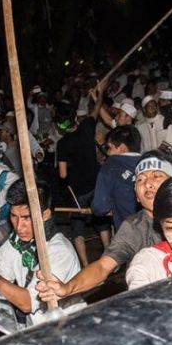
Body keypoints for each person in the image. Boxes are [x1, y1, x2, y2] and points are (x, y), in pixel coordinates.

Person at [36, 149, 172, 302]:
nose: (148, 184)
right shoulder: (134, 227)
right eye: (140, 179)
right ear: (136, 195)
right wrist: (67, 288)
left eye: (156, 176)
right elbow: (103, 267)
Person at [0, 180, 81, 326]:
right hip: (32, 328)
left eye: (26, 218)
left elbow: (27, 303)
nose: (18, 226)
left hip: (66, 328)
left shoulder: (60, 251)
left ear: (45, 215)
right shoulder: (16, 241)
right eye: (13, 216)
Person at [56, 84, 110, 266]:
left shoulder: (62, 144)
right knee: (101, 220)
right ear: (74, 118)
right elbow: (96, 110)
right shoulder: (87, 126)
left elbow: (63, 175)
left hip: (77, 190)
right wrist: (99, 95)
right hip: (95, 184)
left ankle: (85, 265)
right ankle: (109, 258)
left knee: (77, 228)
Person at [91, 125, 141, 230]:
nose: (107, 153)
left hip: (127, 232)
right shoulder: (151, 162)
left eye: (109, 148)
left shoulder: (111, 165)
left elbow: (100, 206)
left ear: (122, 148)